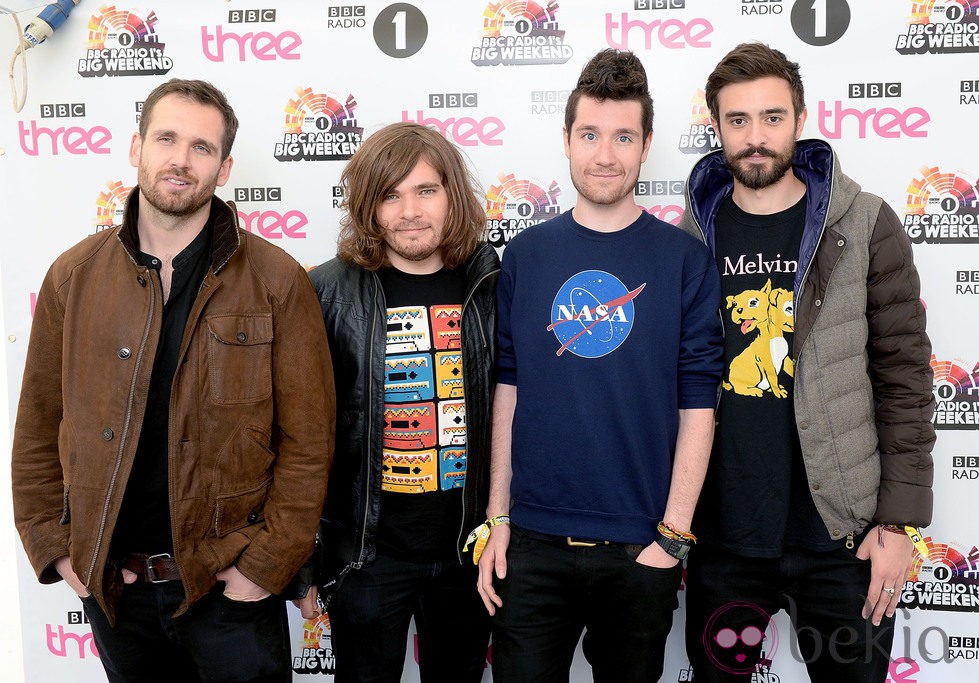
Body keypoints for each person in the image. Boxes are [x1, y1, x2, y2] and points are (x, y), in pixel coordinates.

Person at [11, 78, 335, 682]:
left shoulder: (277, 281)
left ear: (226, 165)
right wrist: (53, 546)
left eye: (202, 147)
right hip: (116, 591)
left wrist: (267, 565)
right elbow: (36, 426)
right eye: (166, 138)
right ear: (136, 147)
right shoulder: (72, 278)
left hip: (229, 590)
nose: (180, 160)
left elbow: (309, 444)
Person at [678, 43, 935, 681]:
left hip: (842, 538)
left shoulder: (865, 224)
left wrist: (898, 522)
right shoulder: (689, 239)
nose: (756, 137)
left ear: (801, 118)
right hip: (726, 539)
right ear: (716, 126)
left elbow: (905, 380)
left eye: (772, 117)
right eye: (738, 121)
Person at [476, 49, 724, 682]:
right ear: (566, 140)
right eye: (589, 135)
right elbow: (508, 389)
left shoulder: (683, 260)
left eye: (622, 137)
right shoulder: (527, 254)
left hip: (639, 547)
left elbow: (699, 403)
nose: (605, 154)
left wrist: (673, 538)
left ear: (645, 146)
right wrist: (497, 518)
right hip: (530, 548)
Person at [305, 122, 498, 682]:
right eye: (391, 195)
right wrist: (306, 561)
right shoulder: (328, 292)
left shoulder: (489, 285)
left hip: (469, 554)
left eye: (426, 190)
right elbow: (302, 436)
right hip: (367, 558)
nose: (410, 211)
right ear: (368, 206)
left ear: (452, 197)